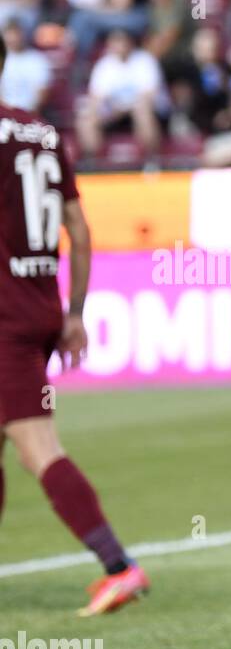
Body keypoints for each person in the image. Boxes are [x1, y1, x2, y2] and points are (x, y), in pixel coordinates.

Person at [0, 34, 150, 615]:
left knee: (39, 447)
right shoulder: (41, 133)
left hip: (5, 315)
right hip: (38, 306)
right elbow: (80, 233)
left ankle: (119, 566)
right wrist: (74, 312)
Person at [76, 26, 167, 159]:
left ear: (130, 43)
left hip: (149, 112)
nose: (119, 45)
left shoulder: (145, 60)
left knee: (142, 110)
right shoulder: (104, 65)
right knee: (86, 118)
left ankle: (152, 160)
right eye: (115, 42)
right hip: (115, 113)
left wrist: (123, 108)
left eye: (122, 41)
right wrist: (101, 111)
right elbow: (96, 97)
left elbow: (149, 95)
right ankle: (95, 164)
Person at [0, 17, 51, 111]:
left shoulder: (37, 60)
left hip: (29, 113)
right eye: (10, 34)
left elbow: (42, 93)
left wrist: (25, 115)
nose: (13, 38)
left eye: (16, 34)